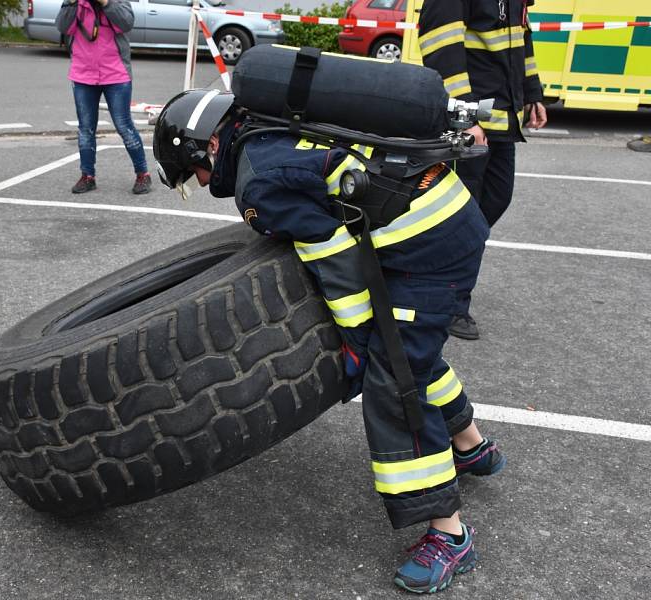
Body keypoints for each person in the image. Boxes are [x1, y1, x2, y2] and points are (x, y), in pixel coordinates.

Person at [153, 88, 506, 594]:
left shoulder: (257, 183)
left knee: (394, 382)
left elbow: (335, 258)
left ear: (206, 147)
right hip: (439, 214)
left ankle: (449, 534)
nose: (202, 183)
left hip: (429, 246)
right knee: (407, 347)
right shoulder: (266, 128)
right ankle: (471, 446)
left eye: (194, 174)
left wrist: (356, 341)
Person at [418, 0, 547, 340]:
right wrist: (466, 116)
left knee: (494, 199)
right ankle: (447, 302)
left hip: (502, 117)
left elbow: (523, 40)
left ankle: (432, 281)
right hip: (471, 123)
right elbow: (441, 47)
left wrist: (532, 93)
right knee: (462, 213)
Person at [56, 0, 151, 195]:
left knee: (124, 126)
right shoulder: (75, 3)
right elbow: (62, 26)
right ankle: (87, 176)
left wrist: (106, 3)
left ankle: (143, 174)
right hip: (83, 74)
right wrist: (72, 4)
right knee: (85, 128)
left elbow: (126, 23)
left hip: (115, 73)